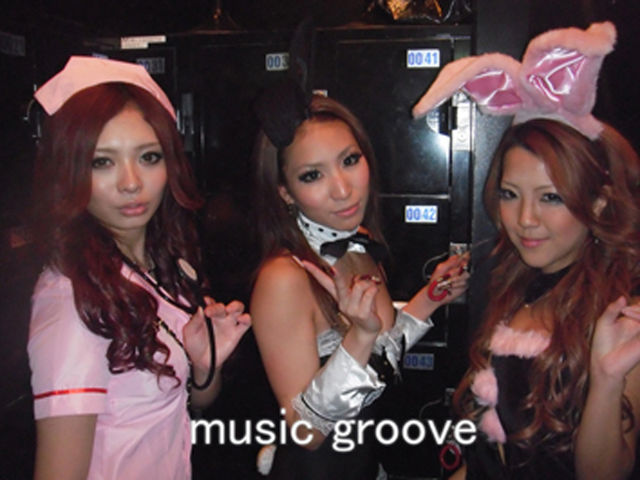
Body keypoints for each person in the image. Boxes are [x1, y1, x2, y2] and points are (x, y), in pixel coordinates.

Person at [412, 22, 640, 479]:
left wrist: (607, 377)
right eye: (510, 194)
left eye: (551, 197)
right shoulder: (522, 282)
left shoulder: (622, 314)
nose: (525, 219)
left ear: (597, 203)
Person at [27, 56, 251, 480]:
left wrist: (204, 366)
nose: (131, 182)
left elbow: (183, 405)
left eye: (148, 157)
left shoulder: (157, 266)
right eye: (102, 162)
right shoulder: (72, 299)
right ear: (68, 170)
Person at [250, 81, 469, 479]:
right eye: (312, 175)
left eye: (350, 160)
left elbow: (380, 353)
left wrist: (430, 298)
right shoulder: (283, 278)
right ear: (285, 193)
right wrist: (360, 336)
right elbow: (305, 432)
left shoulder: (359, 244)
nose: (342, 189)